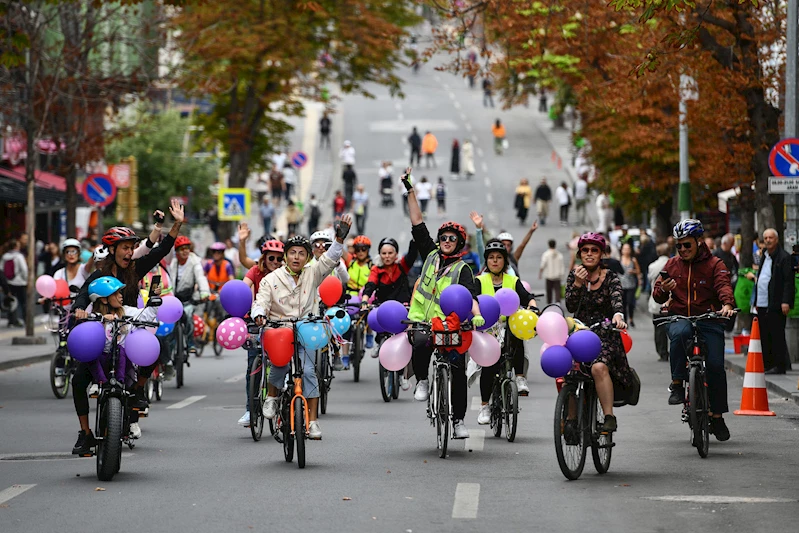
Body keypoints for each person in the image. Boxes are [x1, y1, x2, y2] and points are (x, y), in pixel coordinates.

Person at [71, 200, 184, 455]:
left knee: (157, 348)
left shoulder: (136, 267)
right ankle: (85, 433)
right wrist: (79, 310)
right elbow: (83, 294)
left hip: (130, 328)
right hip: (103, 332)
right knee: (78, 379)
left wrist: (176, 223)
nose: (129, 252)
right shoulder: (100, 274)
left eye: (132, 248)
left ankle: (137, 389)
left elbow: (163, 248)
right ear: (112, 250)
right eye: (124, 248)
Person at [252, 215, 353, 440]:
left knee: (308, 372)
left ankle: (313, 421)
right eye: (292, 253)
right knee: (278, 366)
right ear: (286, 256)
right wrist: (259, 314)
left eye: (301, 253)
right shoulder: (272, 278)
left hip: (306, 330)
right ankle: (272, 397)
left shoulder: (312, 272)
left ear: (307, 257)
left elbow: (329, 259)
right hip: (279, 331)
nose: (296, 257)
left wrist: (339, 239)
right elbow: (261, 301)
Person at [402, 169, 485, 440]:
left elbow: (471, 296)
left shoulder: (463, 269)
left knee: (458, 370)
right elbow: (417, 222)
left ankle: (459, 421)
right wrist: (410, 189)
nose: (446, 241)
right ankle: (423, 381)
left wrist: (477, 315)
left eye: (452, 238)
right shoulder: (430, 255)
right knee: (420, 340)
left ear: (459, 243)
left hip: (451, 325)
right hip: (424, 320)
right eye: (443, 237)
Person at [653, 219, 736, 441]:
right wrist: (663, 289)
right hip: (680, 316)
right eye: (678, 246)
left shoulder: (715, 264)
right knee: (679, 333)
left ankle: (717, 416)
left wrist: (727, 305)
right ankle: (678, 383)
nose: (682, 250)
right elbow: (657, 294)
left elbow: (723, 285)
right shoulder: (671, 265)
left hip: (709, 318)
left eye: (687, 245)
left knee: (717, 366)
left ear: (699, 242)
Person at [564, 232, 630, 434]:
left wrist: (618, 316)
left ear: (601, 254)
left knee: (599, 367)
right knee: (568, 369)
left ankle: (609, 416)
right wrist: (577, 284)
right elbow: (570, 305)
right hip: (580, 333)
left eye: (594, 250)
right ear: (580, 254)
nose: (590, 254)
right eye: (585, 250)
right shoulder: (575, 275)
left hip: (605, 333)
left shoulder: (610, 277)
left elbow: (618, 298)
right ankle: (570, 419)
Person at [85, 276, 160, 440]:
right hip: (102, 363)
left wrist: (154, 301)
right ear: (104, 299)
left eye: (121, 293)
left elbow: (145, 316)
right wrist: (88, 317)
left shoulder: (126, 311)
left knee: (128, 379)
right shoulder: (93, 315)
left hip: (123, 364)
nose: (121, 296)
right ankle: (99, 384)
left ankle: (132, 421)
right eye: (116, 293)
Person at [477, 239, 538, 423]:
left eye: (499, 258)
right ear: (486, 261)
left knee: (516, 332)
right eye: (491, 258)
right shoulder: (479, 281)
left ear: (505, 261)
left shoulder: (513, 280)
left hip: (509, 326)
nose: (495, 261)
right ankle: (484, 406)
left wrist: (533, 308)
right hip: (487, 329)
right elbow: (471, 300)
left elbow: (528, 297)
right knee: (490, 366)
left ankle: (520, 378)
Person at [237, 232, 284, 428]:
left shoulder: (286, 273)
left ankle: (284, 405)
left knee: (284, 364)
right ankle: (250, 409)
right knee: (253, 366)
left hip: (280, 322)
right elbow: (244, 286)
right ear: (264, 258)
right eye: (271, 257)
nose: (275, 261)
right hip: (257, 321)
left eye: (279, 258)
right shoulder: (255, 271)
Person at [361, 236, 418, 375]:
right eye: (384, 253)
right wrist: (364, 300)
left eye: (390, 253)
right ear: (380, 255)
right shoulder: (376, 269)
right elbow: (370, 285)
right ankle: (379, 341)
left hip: (402, 306)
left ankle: (403, 376)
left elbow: (412, 254)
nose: (387, 256)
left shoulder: (402, 266)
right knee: (377, 317)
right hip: (383, 306)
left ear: (396, 254)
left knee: (406, 340)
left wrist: (415, 237)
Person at [745, 228, 794, 374]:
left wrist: (786, 301)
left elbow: (788, 282)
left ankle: (779, 365)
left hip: (776, 302)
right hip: (761, 303)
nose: (767, 240)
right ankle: (768, 364)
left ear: (776, 239)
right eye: (765, 238)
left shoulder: (784, 257)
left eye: (770, 238)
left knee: (776, 334)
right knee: (764, 335)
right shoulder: (764, 256)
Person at [170, 235, 210, 358]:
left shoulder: (194, 261)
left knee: (188, 316)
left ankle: (190, 342)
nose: (185, 251)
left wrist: (204, 292)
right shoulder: (173, 263)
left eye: (187, 248)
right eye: (182, 249)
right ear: (176, 252)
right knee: (170, 324)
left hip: (189, 298)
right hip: (173, 298)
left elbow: (200, 277)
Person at [647, 242, 671, 362]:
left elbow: (650, 280)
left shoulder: (652, 266)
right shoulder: (672, 264)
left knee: (658, 328)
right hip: (670, 300)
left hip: (656, 300)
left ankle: (662, 352)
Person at [2, 238, 28, 327]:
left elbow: (1, 270)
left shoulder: (4, 256)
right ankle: (26, 319)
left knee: (11, 302)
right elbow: (24, 269)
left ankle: (11, 321)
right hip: (20, 282)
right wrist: (26, 279)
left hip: (9, 282)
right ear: (16, 246)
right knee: (23, 302)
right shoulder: (19, 256)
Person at [619, 242, 641, 327]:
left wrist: (634, 272)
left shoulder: (633, 260)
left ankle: (631, 318)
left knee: (630, 302)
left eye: (628, 249)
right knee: (623, 303)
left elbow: (638, 271)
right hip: (621, 284)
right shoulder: (619, 259)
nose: (626, 251)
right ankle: (625, 320)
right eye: (625, 249)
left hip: (631, 284)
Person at [539, 239, 565, 304]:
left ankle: (549, 303)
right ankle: (557, 302)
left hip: (549, 275)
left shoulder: (546, 254)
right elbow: (562, 266)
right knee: (557, 290)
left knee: (549, 291)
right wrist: (562, 275)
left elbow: (543, 264)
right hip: (557, 276)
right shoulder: (559, 255)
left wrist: (540, 273)